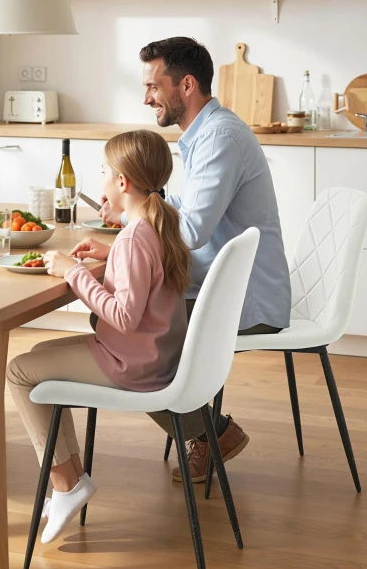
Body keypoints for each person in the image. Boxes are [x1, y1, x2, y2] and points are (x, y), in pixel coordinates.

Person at [99, 37, 291, 482]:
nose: (146, 97)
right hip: (213, 285)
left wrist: (133, 232)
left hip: (243, 302)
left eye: (153, 86)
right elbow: (182, 209)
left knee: (118, 325)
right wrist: (135, 215)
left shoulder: (220, 137)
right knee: (125, 317)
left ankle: (210, 433)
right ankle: (203, 429)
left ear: (186, 85)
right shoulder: (206, 134)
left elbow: (188, 230)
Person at [7, 130, 189, 544]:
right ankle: (71, 478)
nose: (103, 180)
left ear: (123, 182)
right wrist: (110, 260)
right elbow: (145, 285)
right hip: (152, 354)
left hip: (129, 363)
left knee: (19, 371)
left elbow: (124, 316)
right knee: (37, 356)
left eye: (105, 172)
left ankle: (66, 484)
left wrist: (72, 271)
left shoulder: (133, 238)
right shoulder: (158, 225)